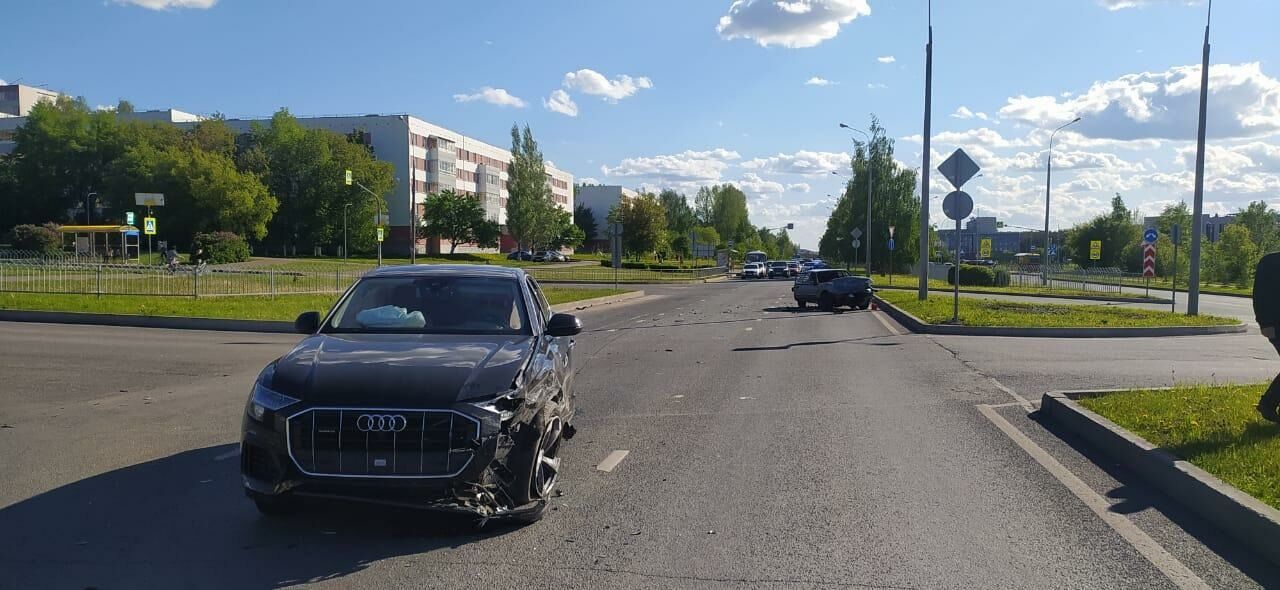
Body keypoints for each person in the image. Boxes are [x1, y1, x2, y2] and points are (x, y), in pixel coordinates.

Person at [1254, 251, 1280, 422]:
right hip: (1275, 325)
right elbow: (1259, 295)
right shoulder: (1270, 262)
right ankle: (1268, 403)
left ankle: (1268, 403)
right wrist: (1264, 323)